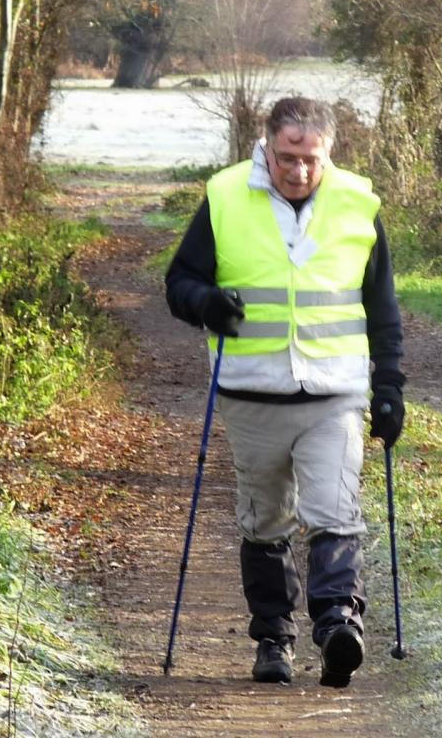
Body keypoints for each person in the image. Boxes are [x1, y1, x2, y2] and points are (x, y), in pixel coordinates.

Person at [165, 96, 405, 688]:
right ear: (266, 147)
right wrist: (206, 304)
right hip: (253, 394)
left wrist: (390, 386)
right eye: (287, 157)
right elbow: (180, 282)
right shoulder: (224, 197)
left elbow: (383, 310)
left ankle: (337, 624)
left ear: (329, 153)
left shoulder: (357, 204)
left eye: (310, 159)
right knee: (265, 521)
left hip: (334, 394)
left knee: (334, 510)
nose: (298, 171)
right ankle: (274, 638)